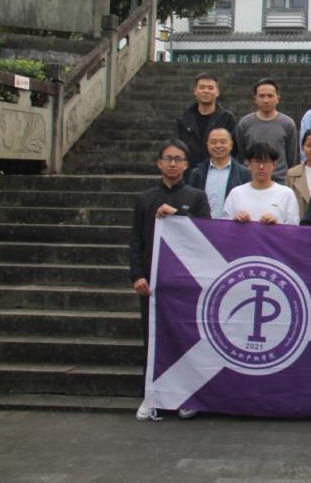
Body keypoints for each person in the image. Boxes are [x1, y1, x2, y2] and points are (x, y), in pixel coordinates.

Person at [129, 139, 210, 421]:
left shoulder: (196, 196)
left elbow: (206, 232)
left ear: (187, 165)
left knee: (186, 338)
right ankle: (151, 395)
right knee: (152, 338)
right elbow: (136, 241)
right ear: (159, 163)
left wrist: (178, 214)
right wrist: (137, 275)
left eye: (178, 159)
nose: (173, 164)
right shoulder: (145, 198)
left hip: (185, 282)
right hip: (153, 281)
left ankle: (187, 395)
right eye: (168, 158)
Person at [235, 78, 298, 182]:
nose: (266, 100)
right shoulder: (245, 123)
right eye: (262, 96)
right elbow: (241, 155)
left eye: (270, 96)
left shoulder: (288, 124)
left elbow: (291, 158)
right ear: (255, 98)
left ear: (277, 98)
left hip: (280, 181)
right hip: (251, 180)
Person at [223, 142, 301, 225]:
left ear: (274, 165)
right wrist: (236, 221)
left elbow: (293, 228)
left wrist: (277, 225)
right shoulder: (236, 193)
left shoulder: (286, 194)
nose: (261, 167)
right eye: (256, 162)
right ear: (248, 164)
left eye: (266, 162)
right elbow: (224, 226)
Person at [175, 73, 236, 170]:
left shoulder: (227, 118)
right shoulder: (183, 119)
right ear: (195, 91)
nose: (206, 91)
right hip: (189, 173)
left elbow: (234, 149)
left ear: (217, 92)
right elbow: (178, 148)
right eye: (202, 87)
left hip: (218, 171)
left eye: (210, 88)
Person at [187, 127, 251, 220]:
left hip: (232, 224)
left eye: (223, 142)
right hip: (202, 225)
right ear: (207, 145)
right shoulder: (196, 173)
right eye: (213, 142)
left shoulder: (244, 173)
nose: (218, 145)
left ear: (231, 145)